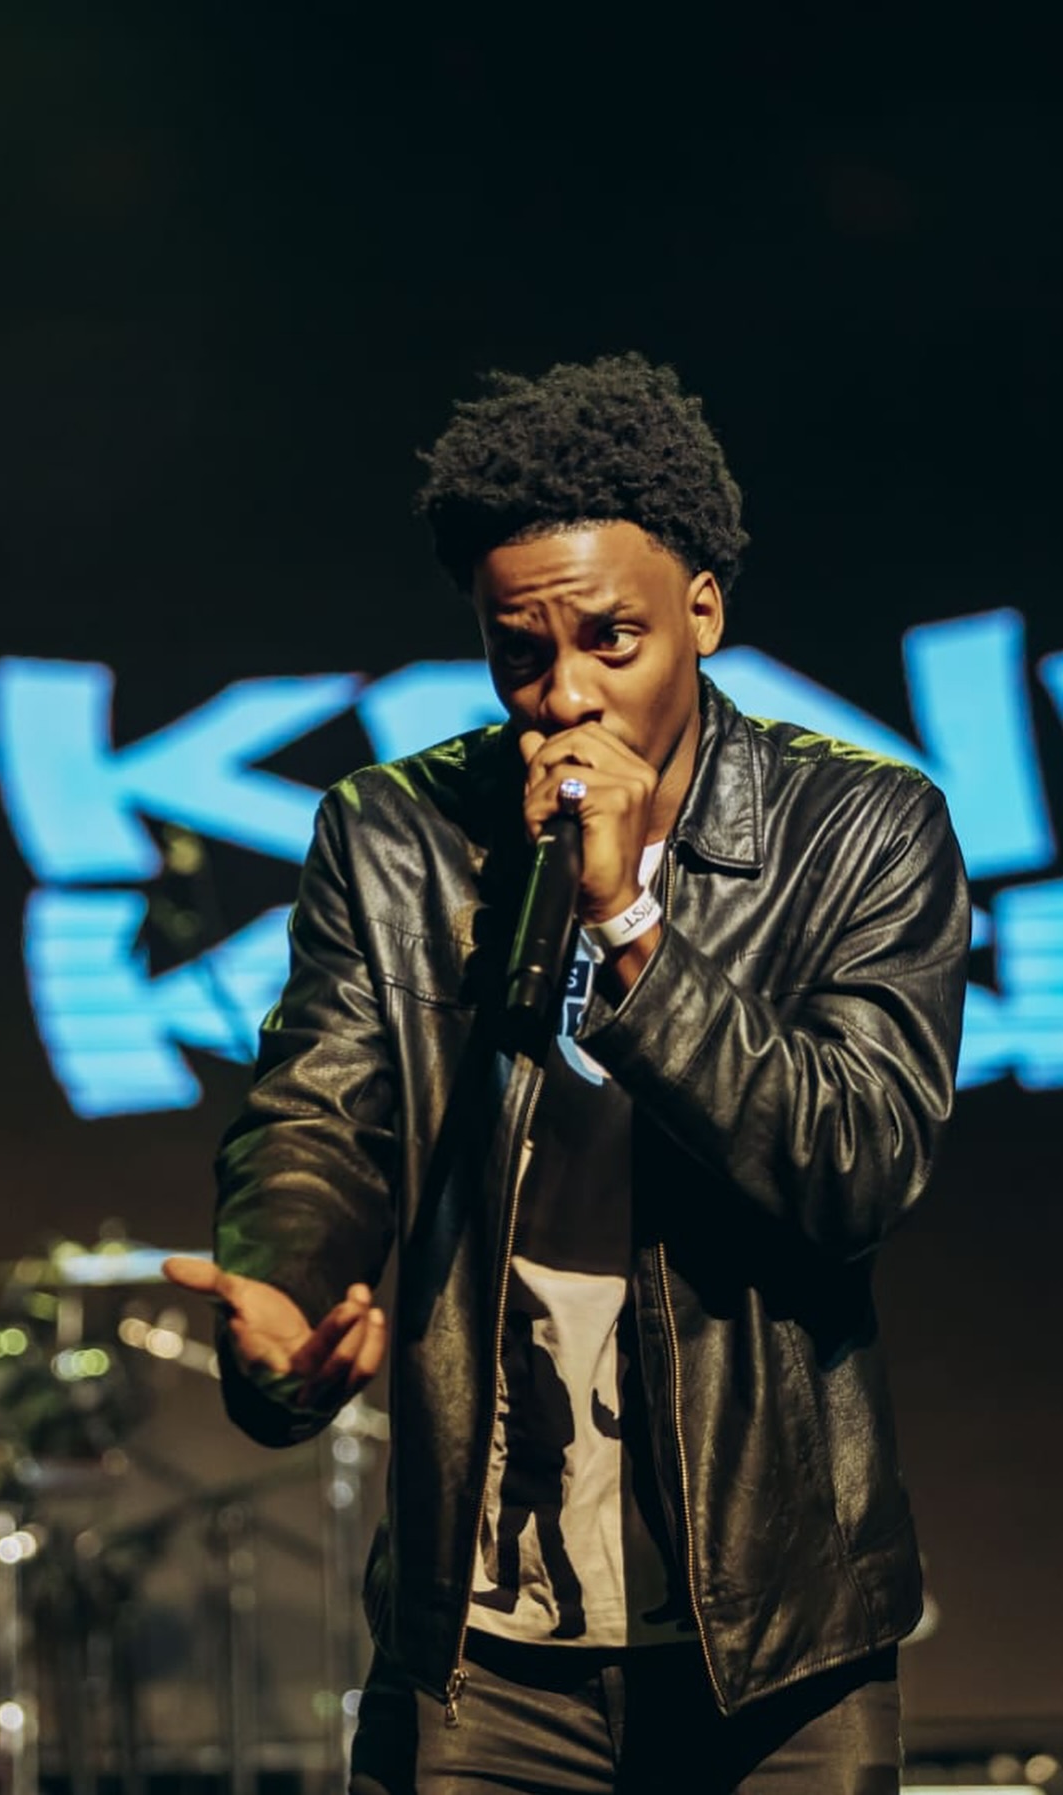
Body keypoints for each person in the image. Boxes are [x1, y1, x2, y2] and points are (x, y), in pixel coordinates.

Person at [165, 353, 970, 1793]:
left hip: (775, 1644)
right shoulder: (397, 834)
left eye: (614, 639)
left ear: (702, 613)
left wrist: (634, 929)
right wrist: (285, 1288)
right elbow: (320, 1112)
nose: (565, 694)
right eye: (520, 654)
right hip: (483, 1644)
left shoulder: (860, 830)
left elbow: (857, 1166)